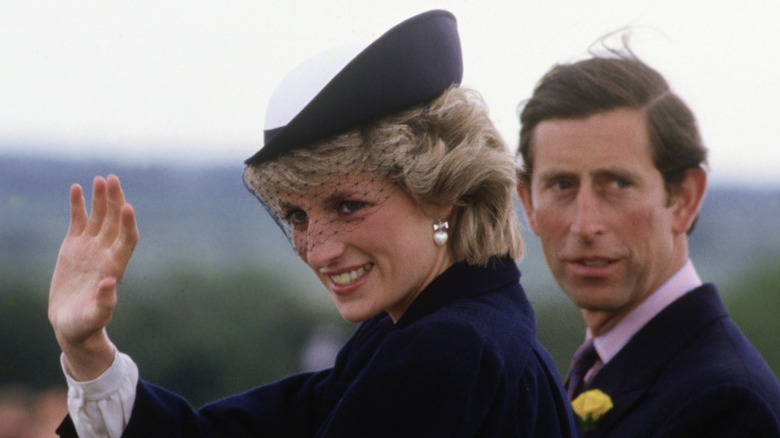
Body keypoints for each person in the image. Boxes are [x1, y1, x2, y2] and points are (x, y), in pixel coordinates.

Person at [48, 10, 576, 437]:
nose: (318, 251)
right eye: (297, 216)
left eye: (349, 206)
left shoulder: (444, 352)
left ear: (443, 191)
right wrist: (87, 349)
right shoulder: (434, 329)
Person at [515, 48, 780, 436]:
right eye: (562, 185)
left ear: (684, 198)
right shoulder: (608, 370)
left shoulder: (727, 404)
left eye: (618, 184)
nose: (585, 224)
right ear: (528, 203)